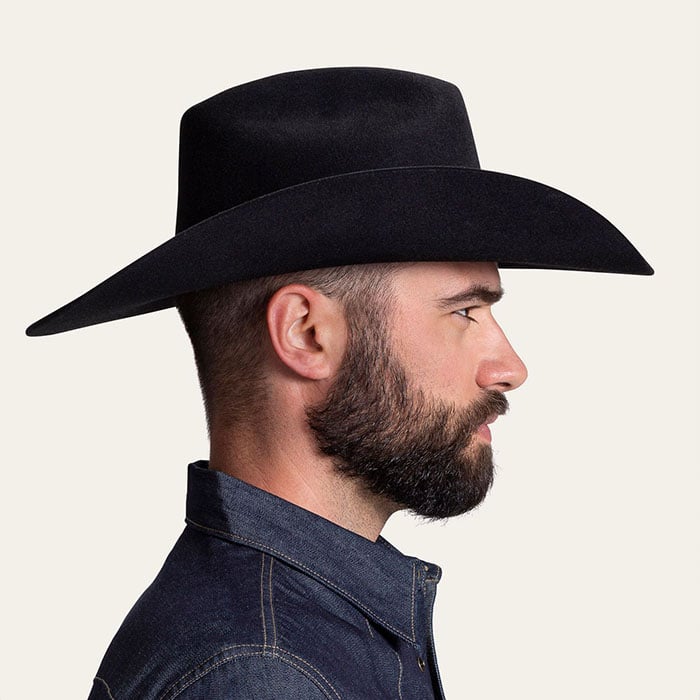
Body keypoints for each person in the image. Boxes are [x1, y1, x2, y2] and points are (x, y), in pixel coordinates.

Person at [26, 67, 652, 699]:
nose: (509, 367)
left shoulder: (298, 631)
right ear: (306, 334)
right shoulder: (265, 675)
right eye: (465, 311)